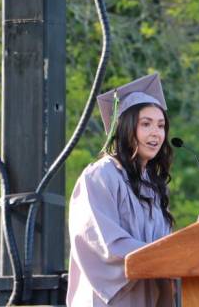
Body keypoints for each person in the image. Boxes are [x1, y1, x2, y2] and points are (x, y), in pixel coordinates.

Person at [67, 73, 175, 307]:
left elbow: (163, 246)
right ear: (126, 128)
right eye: (145, 124)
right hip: (113, 300)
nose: (156, 133)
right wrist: (165, 256)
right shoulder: (100, 175)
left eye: (161, 125)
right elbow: (104, 244)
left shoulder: (153, 186)